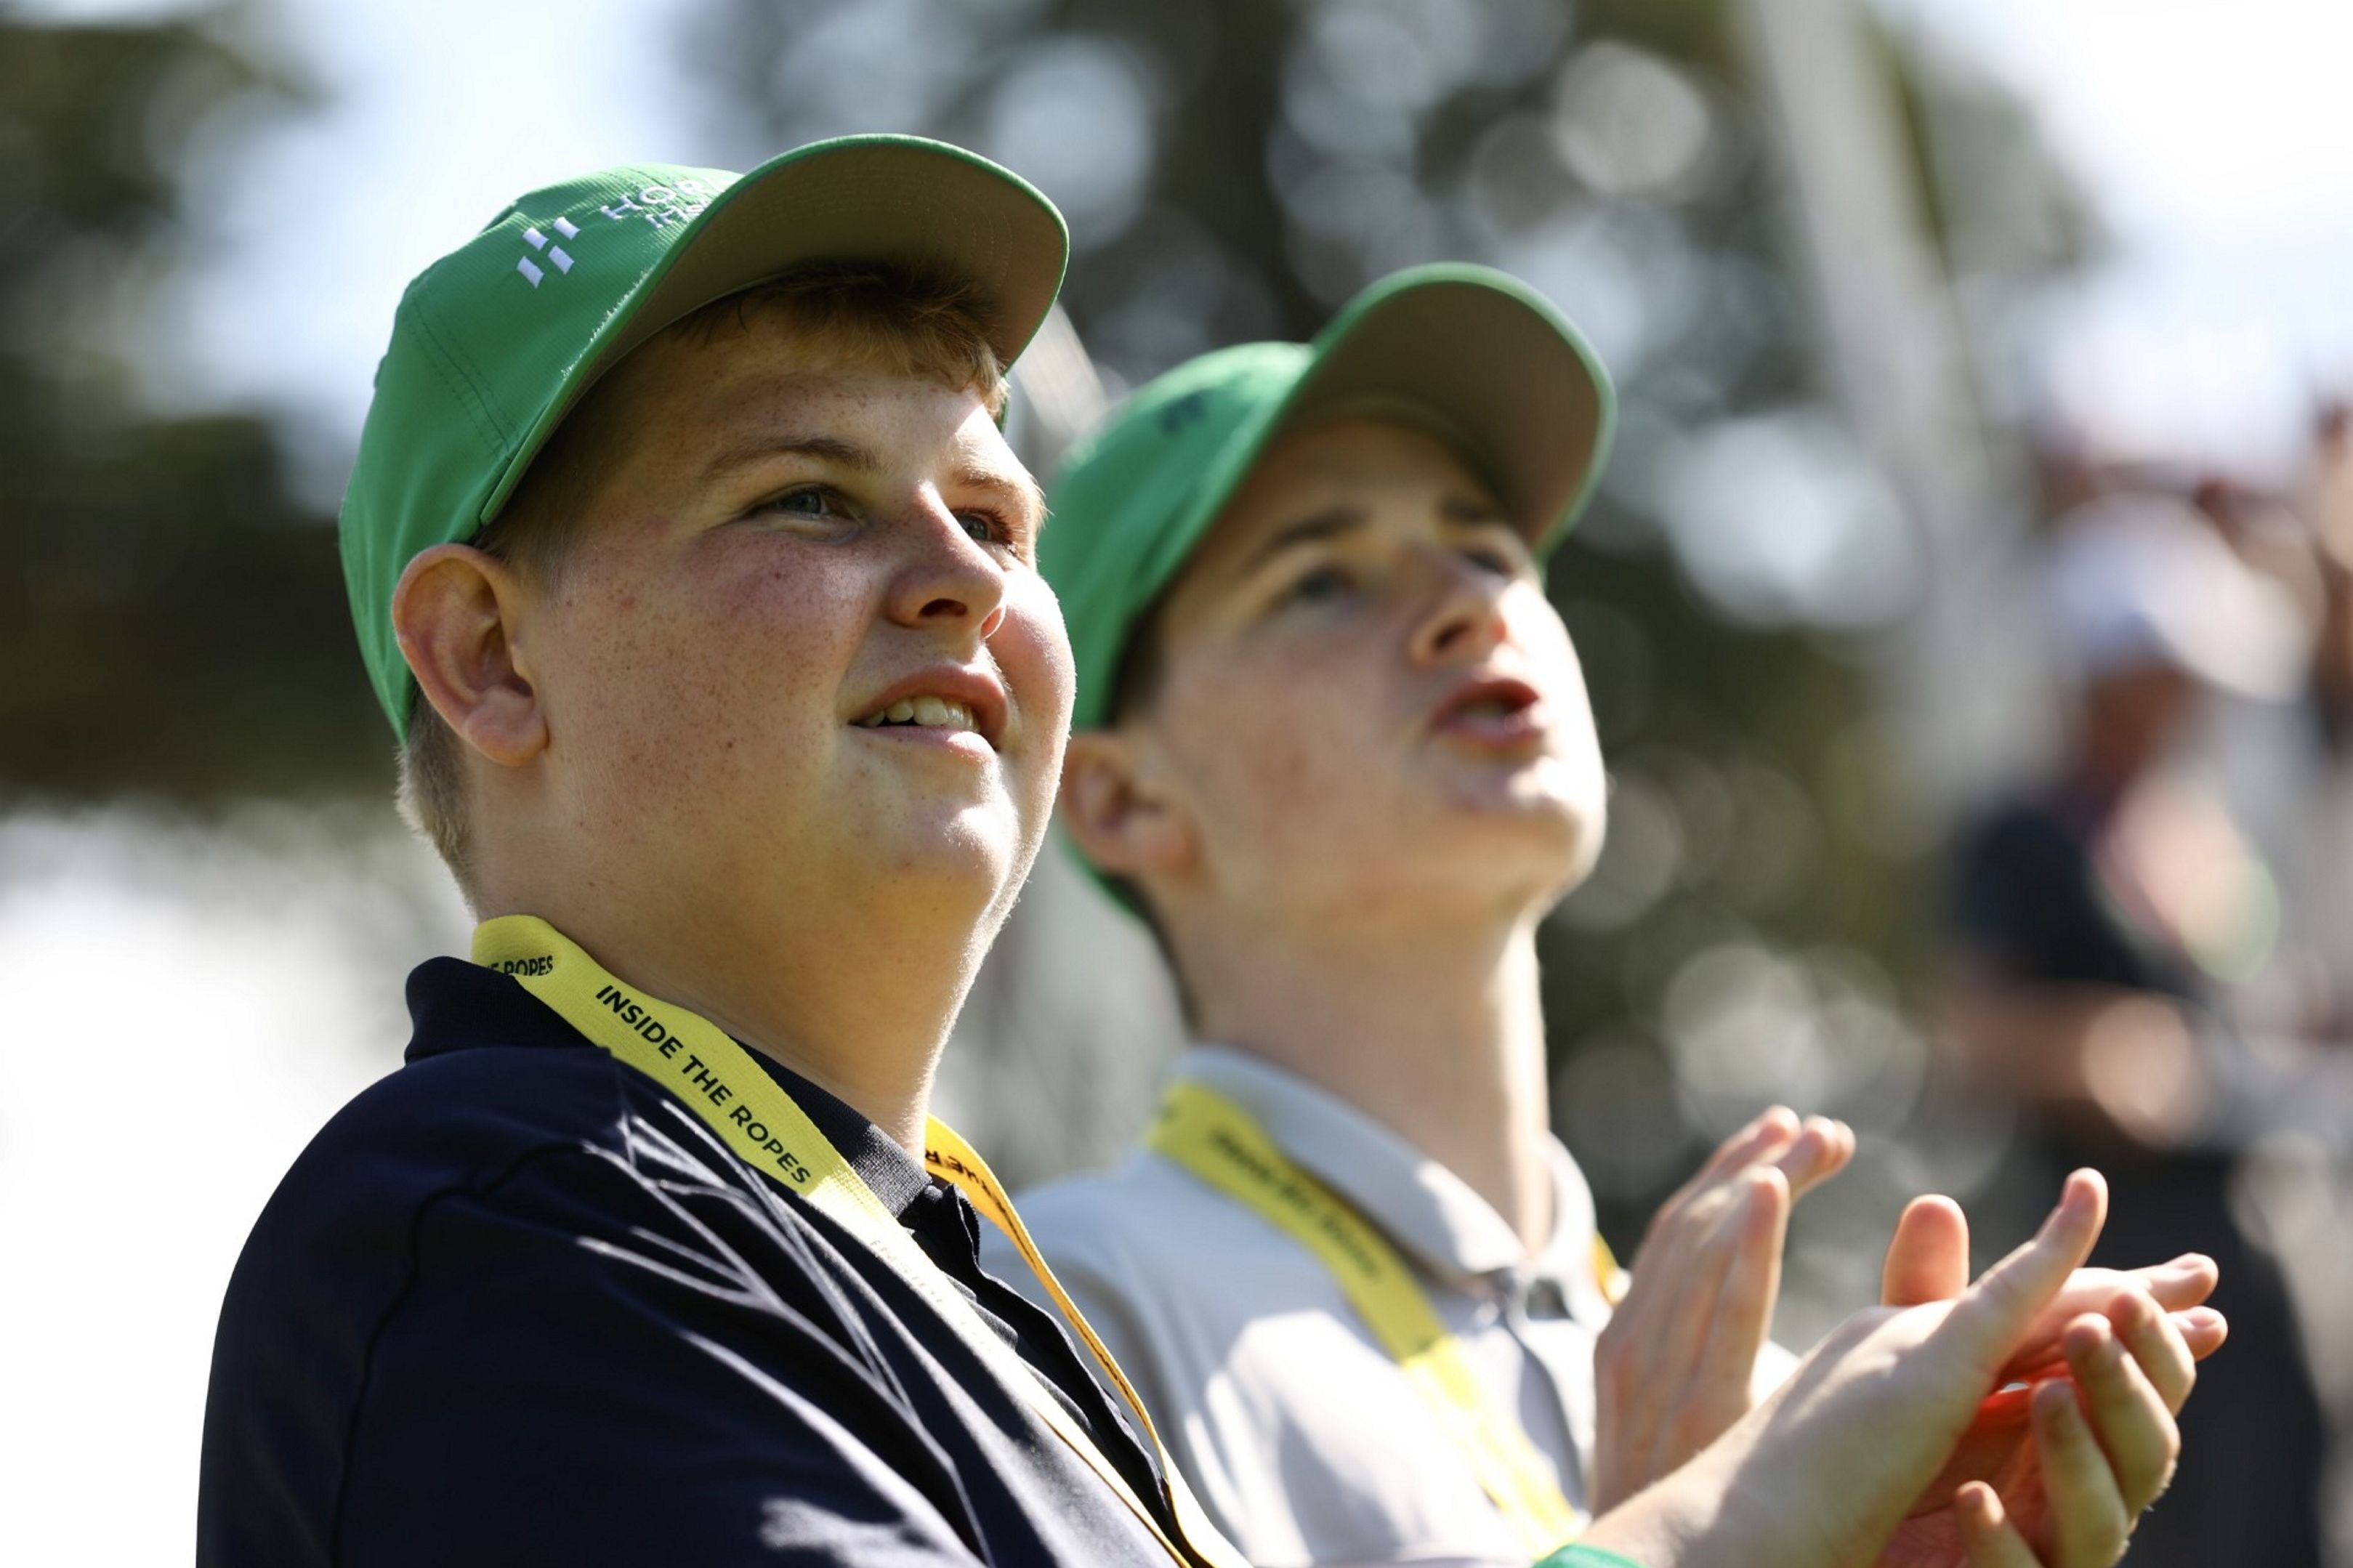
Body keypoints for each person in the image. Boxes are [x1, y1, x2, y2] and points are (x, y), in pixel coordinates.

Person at [195, 144, 2211, 1568]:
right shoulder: (501, 1224)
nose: (960, 583)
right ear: (484, 654)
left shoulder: (946, 1286)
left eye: (996, 517)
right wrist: (1697, 1539)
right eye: (806, 495)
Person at [997, 265, 2223, 1568]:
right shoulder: (1061, 1321)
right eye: (1321, 579)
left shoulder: (1750, 1388)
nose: (1468, 604)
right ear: (1119, 795)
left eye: (1485, 547)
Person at [1946, 491, 2332, 1567]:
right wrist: (2087, 1047)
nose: (2190, 703)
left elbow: (2250, 1008)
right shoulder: (2020, 831)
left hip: (2261, 1257)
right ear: (2107, 673)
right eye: (2167, 676)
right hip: (2114, 1266)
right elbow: (1969, 1028)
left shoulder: (2200, 829)